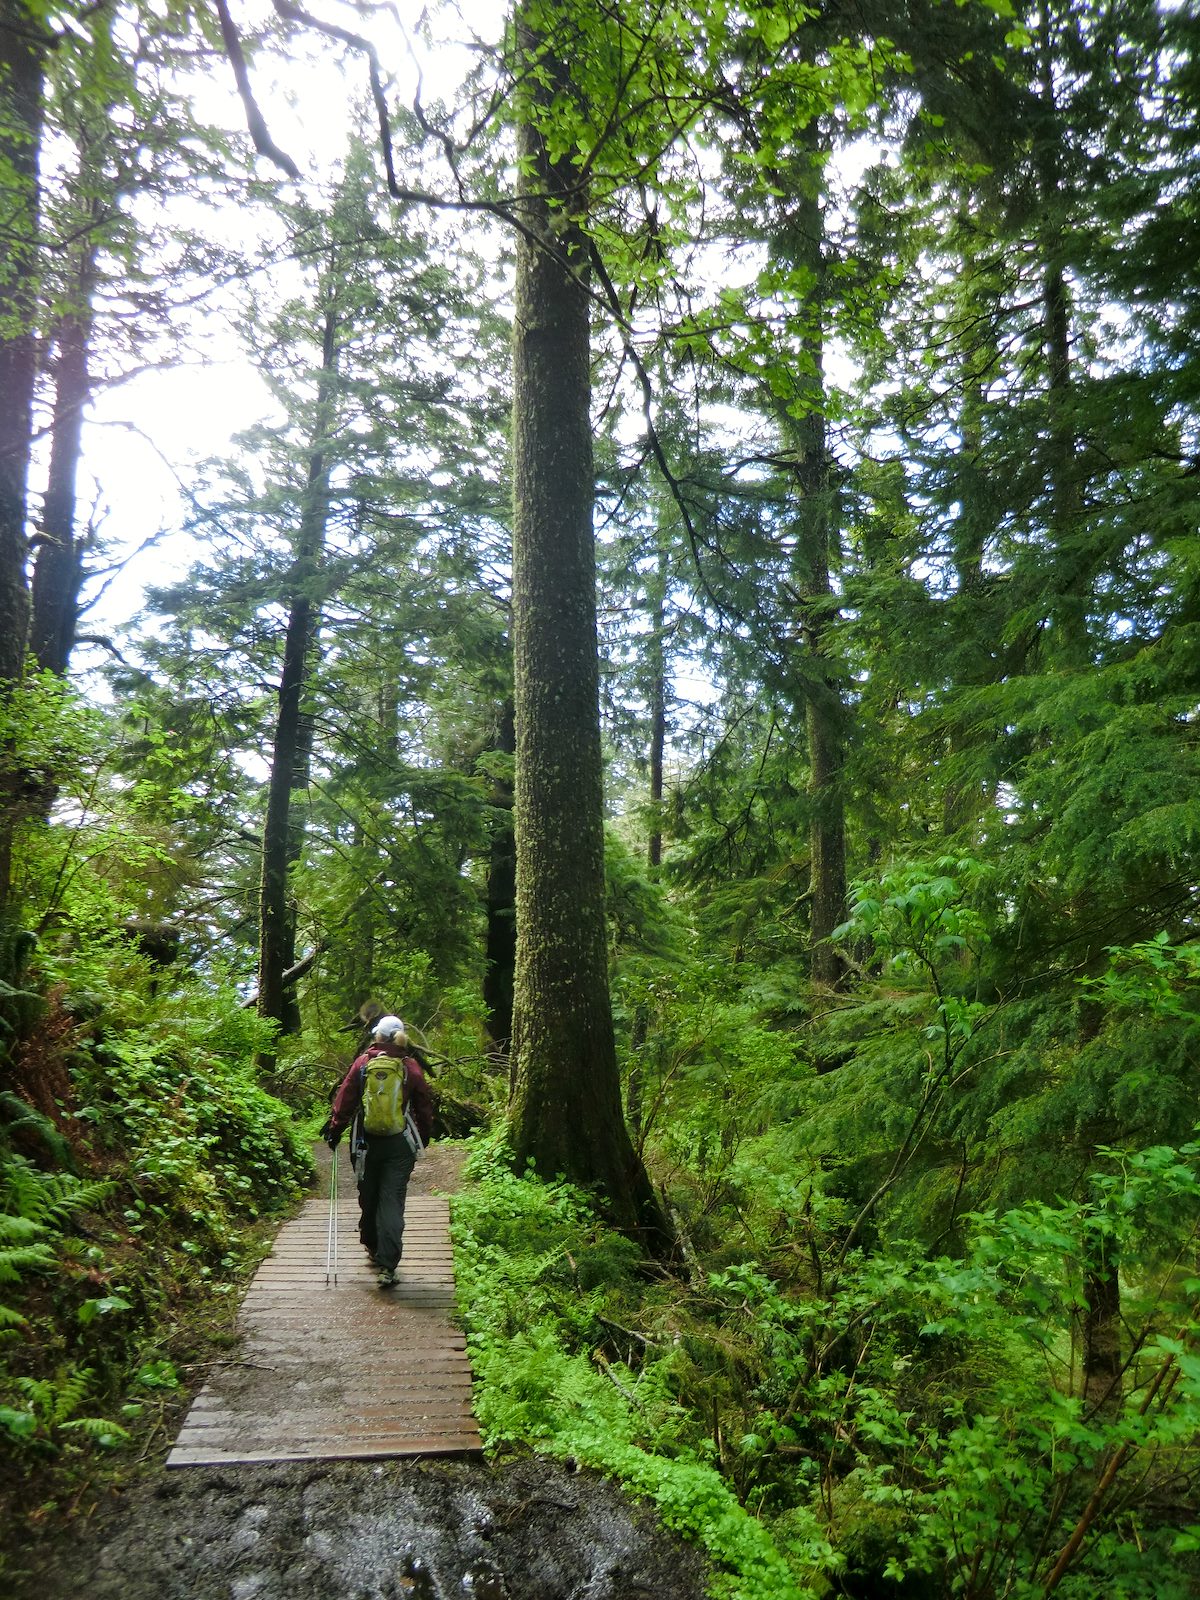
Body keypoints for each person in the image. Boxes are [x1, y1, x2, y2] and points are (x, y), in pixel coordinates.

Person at [324, 1014, 434, 1289]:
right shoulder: (410, 1067)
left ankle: (372, 1247)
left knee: (368, 1195)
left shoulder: (363, 1064)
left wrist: (335, 1129)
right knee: (392, 1200)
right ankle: (388, 1265)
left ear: (378, 1036)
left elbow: (346, 1099)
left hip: (364, 1142)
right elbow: (424, 1107)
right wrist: (423, 1137)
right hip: (399, 1145)